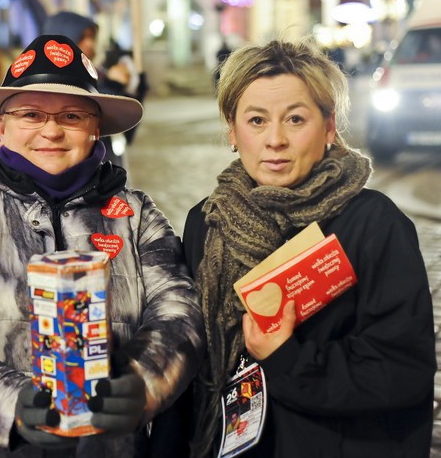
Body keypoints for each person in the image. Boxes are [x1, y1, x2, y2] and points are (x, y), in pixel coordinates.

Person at [0, 34, 205, 456]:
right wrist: (9, 403)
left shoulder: (134, 215)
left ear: (94, 127)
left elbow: (178, 310)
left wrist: (142, 381)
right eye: (30, 114)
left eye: (71, 116)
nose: (51, 131)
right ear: (2, 124)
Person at [152, 39, 435, 457]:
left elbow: (401, 370)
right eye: (256, 120)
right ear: (232, 130)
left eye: (296, 119)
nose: (275, 140)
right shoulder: (206, 222)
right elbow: (190, 366)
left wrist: (287, 358)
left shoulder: (373, 225)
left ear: (329, 126)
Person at [42, 12, 148, 175]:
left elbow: (125, 131)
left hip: (107, 171)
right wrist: (112, 85)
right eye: (82, 37)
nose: (90, 44)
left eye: (92, 37)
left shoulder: (99, 75)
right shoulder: (46, 81)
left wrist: (135, 87)